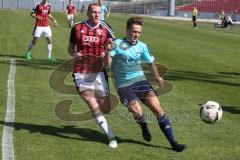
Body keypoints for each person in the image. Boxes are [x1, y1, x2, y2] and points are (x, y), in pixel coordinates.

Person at [106, 17, 186, 152]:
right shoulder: (117, 43)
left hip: (141, 82)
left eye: (139, 32)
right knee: (138, 111)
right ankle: (143, 125)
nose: (136, 35)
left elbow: (150, 62)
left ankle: (173, 143)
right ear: (127, 30)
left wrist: (157, 77)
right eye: (133, 32)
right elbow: (106, 64)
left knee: (158, 110)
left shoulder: (142, 46)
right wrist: (108, 51)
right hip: (124, 85)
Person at [68, 3, 117, 149]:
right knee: (93, 104)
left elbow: (110, 56)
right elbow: (70, 48)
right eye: (94, 12)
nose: (97, 15)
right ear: (88, 13)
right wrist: (75, 54)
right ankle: (111, 137)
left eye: (98, 12)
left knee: (105, 106)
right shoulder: (77, 27)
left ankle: (102, 122)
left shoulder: (106, 29)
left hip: (99, 71)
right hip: (81, 71)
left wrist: (107, 52)